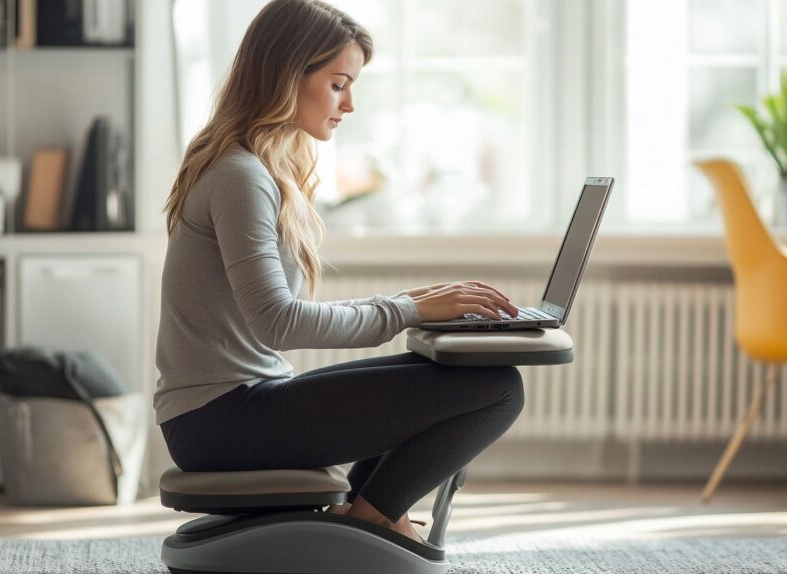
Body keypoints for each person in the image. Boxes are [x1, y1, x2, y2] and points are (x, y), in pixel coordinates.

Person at [155, 0, 525, 544]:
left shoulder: (252, 167)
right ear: (287, 76)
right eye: (337, 84)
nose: (349, 104)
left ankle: (370, 515)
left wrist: (408, 303)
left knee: (466, 383)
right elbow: (277, 323)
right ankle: (370, 524)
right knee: (498, 391)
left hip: (233, 407)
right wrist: (407, 310)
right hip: (220, 421)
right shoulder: (240, 175)